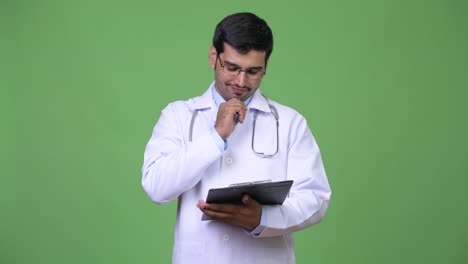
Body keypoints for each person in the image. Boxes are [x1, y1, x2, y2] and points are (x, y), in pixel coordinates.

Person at [142, 12, 331, 264]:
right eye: (232, 68)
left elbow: (315, 198)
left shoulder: (289, 122)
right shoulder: (178, 115)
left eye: (254, 71)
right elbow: (156, 187)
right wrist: (216, 136)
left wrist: (262, 218)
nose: (241, 81)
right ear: (213, 56)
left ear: (266, 66)